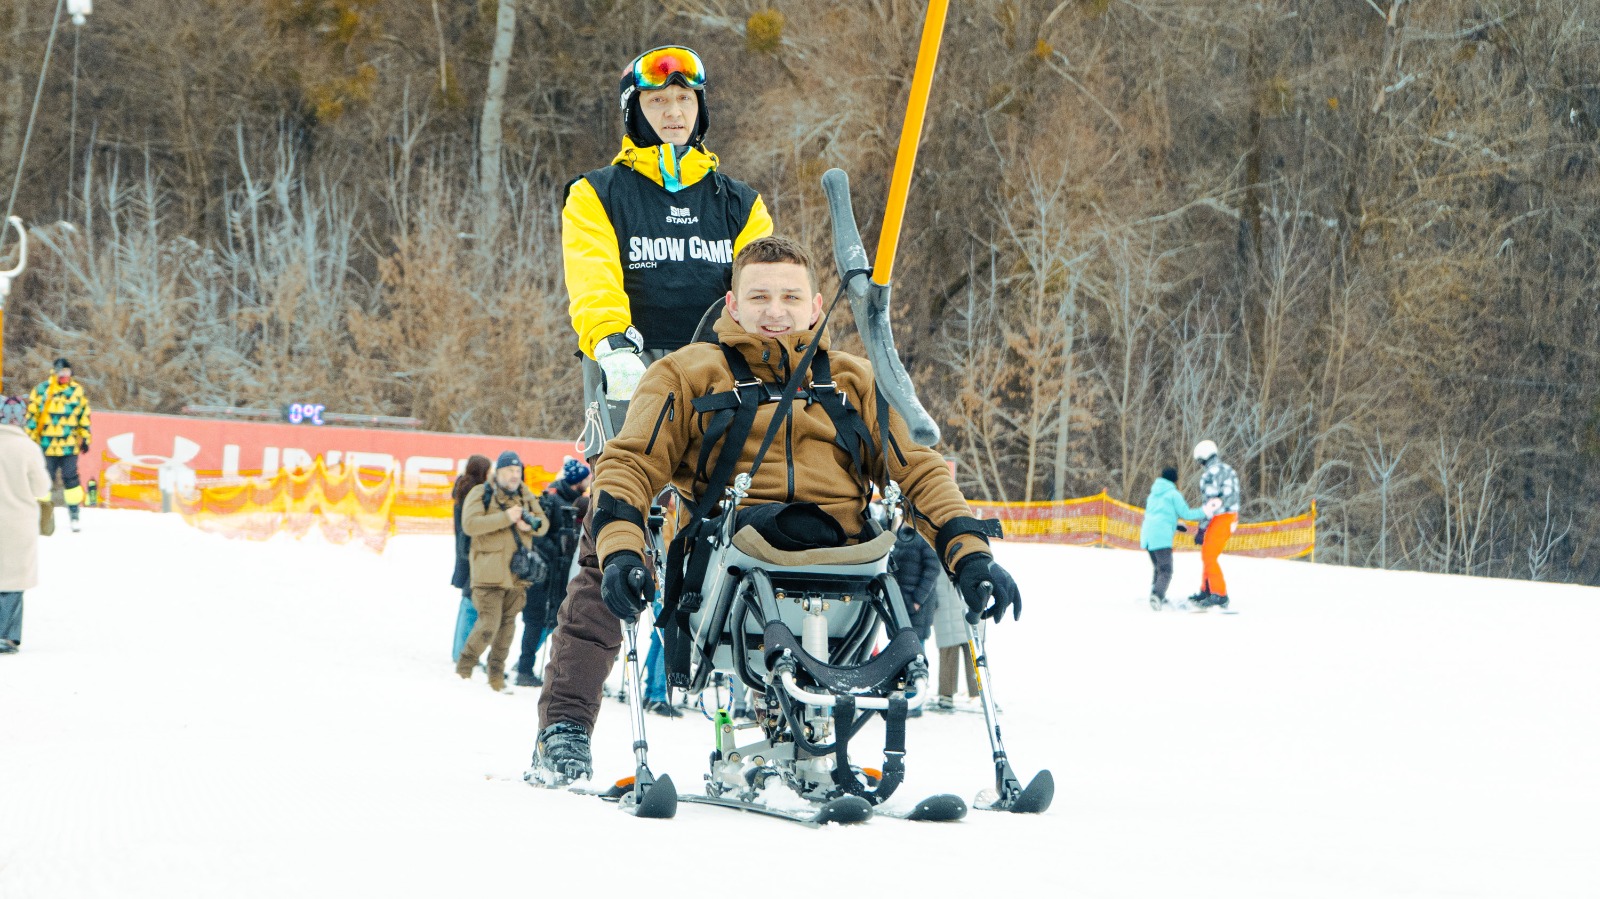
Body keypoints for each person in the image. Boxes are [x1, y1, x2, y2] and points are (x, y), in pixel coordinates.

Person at [528, 236, 1023, 784]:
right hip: (731, 556)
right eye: (759, 297)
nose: (776, 311)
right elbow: (630, 464)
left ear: (816, 306)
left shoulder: (855, 381)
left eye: (791, 297)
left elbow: (921, 470)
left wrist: (970, 555)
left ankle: (815, 738)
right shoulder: (686, 374)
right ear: (732, 305)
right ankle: (567, 728)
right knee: (628, 566)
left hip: (847, 556)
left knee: (866, 549)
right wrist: (623, 549)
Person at [563, 44, 772, 444]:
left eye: (684, 98)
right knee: (627, 495)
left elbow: (763, 290)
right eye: (657, 100)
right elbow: (592, 277)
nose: (674, 112)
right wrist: (612, 345)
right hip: (629, 361)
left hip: (718, 366)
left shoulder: (741, 203)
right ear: (635, 110)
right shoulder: (596, 193)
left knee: (729, 497)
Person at [458, 451, 548, 693]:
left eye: (517, 471)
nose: (514, 476)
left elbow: (543, 525)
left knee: (507, 629)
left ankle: (496, 677)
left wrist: (528, 524)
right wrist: (506, 517)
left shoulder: (525, 495)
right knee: (489, 624)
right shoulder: (481, 493)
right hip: (488, 573)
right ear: (497, 473)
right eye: (509, 471)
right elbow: (470, 525)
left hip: (517, 575)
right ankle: (463, 669)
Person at [512, 456, 591, 688]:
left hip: (558, 574)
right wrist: (560, 545)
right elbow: (538, 535)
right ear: (577, 480)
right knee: (535, 621)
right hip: (544, 573)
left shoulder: (569, 500)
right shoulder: (551, 501)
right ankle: (524, 668)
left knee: (549, 621)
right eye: (585, 479)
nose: (588, 483)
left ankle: (526, 665)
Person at [0, 397, 51, 653]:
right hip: (17, 523)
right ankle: (6, 637)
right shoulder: (27, 448)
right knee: (12, 581)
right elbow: (42, 488)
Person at [25, 358, 92, 533]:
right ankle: (43, 516)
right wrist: (30, 440)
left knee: (71, 478)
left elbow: (84, 416)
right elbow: (32, 416)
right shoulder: (42, 390)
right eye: (61, 372)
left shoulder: (77, 391)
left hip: (69, 445)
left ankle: (74, 514)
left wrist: (85, 438)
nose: (64, 375)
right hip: (47, 445)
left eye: (67, 372)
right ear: (54, 372)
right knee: (45, 480)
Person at [1139, 465, 1206, 608]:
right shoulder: (1173, 494)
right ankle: (1157, 596)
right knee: (1166, 570)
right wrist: (1205, 511)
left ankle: (1154, 593)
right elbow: (1187, 513)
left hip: (1148, 535)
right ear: (1175, 480)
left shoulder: (1153, 494)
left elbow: (1158, 515)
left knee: (1158, 567)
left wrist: (1175, 525)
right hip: (1161, 537)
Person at [450, 454, 493, 664]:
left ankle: (460, 650)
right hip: (471, 551)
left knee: (468, 600)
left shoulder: (463, 488)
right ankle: (461, 652)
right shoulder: (473, 493)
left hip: (464, 551)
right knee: (471, 601)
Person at [1189, 440, 1241, 609]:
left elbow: (1211, 504)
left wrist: (1202, 528)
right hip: (1231, 516)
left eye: (1200, 461)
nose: (1200, 464)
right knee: (1207, 553)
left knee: (1209, 555)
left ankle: (1220, 594)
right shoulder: (1228, 469)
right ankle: (1207, 589)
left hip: (1220, 517)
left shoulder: (1210, 474)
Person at [929, 574, 979, 711]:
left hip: (947, 606)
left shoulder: (936, 554)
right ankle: (979, 692)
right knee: (974, 654)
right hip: (966, 604)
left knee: (949, 655)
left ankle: (947, 695)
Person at [890, 524, 941, 643]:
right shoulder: (899, 535)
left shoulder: (925, 539)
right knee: (897, 645)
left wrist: (917, 601)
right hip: (899, 601)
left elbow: (932, 570)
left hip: (918, 605)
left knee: (916, 647)